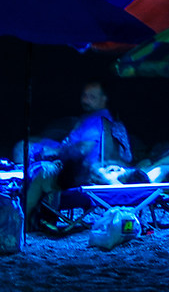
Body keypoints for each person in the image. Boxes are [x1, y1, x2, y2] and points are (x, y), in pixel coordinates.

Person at [23, 80, 134, 217]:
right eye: (85, 96)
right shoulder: (92, 118)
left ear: (104, 99)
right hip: (72, 165)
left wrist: (54, 153)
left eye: (92, 97)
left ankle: (23, 217)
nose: (86, 100)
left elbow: (83, 149)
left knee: (28, 155)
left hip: (73, 170)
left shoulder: (97, 121)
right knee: (30, 147)